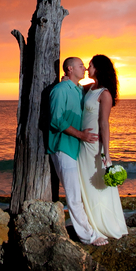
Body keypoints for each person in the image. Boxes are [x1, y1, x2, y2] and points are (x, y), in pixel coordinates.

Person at [49, 57, 105, 245]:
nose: (85, 68)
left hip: (76, 149)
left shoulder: (78, 89)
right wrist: (81, 135)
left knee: (80, 193)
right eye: (81, 65)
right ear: (70, 69)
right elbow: (56, 120)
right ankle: (88, 237)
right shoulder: (60, 90)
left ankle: (91, 229)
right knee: (73, 195)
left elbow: (94, 86)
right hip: (63, 147)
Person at [77, 55, 128, 240]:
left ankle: (102, 226)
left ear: (98, 68)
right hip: (82, 143)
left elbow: (104, 124)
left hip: (94, 147)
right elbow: (74, 86)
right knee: (85, 184)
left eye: (90, 65)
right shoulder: (89, 88)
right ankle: (90, 225)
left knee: (97, 184)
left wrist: (106, 152)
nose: (87, 68)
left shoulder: (104, 93)